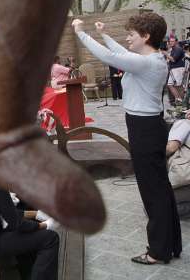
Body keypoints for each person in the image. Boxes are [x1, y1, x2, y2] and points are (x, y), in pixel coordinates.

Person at [72, 13, 182, 264]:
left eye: (132, 34)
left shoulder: (148, 63)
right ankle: (170, 245)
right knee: (160, 189)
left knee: (152, 191)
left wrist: (81, 33)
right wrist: (104, 34)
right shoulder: (149, 59)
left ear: (146, 37)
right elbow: (122, 53)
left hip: (145, 129)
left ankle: (157, 251)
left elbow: (111, 57)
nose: (128, 37)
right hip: (148, 126)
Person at [0, 178, 60, 280]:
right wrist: (45, 225)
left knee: (33, 235)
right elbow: (17, 224)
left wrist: (36, 215)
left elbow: (9, 214)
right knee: (50, 239)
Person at [166, 37, 185, 105]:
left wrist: (165, 53)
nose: (171, 42)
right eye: (170, 41)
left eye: (173, 41)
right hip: (173, 69)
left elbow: (173, 59)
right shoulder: (173, 49)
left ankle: (183, 102)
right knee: (170, 84)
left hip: (178, 69)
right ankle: (179, 99)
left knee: (178, 86)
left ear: (176, 42)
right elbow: (169, 60)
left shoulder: (178, 49)